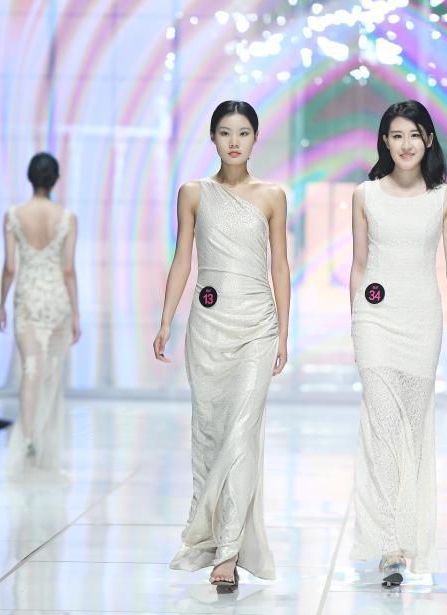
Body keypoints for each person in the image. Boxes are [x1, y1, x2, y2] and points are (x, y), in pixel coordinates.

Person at [153, 101, 290, 588]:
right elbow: (182, 259)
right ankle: (213, 537)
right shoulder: (193, 193)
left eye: (244, 132)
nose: (235, 141)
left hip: (257, 326)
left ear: (255, 139)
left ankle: (228, 553)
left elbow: (279, 265)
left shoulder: (272, 196)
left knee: (242, 433)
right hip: (209, 326)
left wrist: (284, 332)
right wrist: (166, 320)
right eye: (226, 132)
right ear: (212, 137)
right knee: (211, 434)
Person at [349, 100, 447, 586]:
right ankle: (389, 545)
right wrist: (356, 321)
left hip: (422, 321)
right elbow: (359, 264)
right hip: (375, 319)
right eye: (396, 135)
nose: (405, 144)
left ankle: (404, 534)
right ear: (384, 141)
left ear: (428, 139)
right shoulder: (365, 194)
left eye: (413, 134)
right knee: (383, 425)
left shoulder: (445, 198)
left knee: (412, 428)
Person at [0, 152, 80, 475]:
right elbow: (68, 269)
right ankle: (44, 446)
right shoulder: (67, 218)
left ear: (30, 178)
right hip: (57, 301)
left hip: (28, 300)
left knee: (30, 370)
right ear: (55, 179)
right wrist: (76, 314)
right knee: (51, 375)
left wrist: (1, 303)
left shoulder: (13, 215)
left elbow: (9, 267)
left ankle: (29, 439)